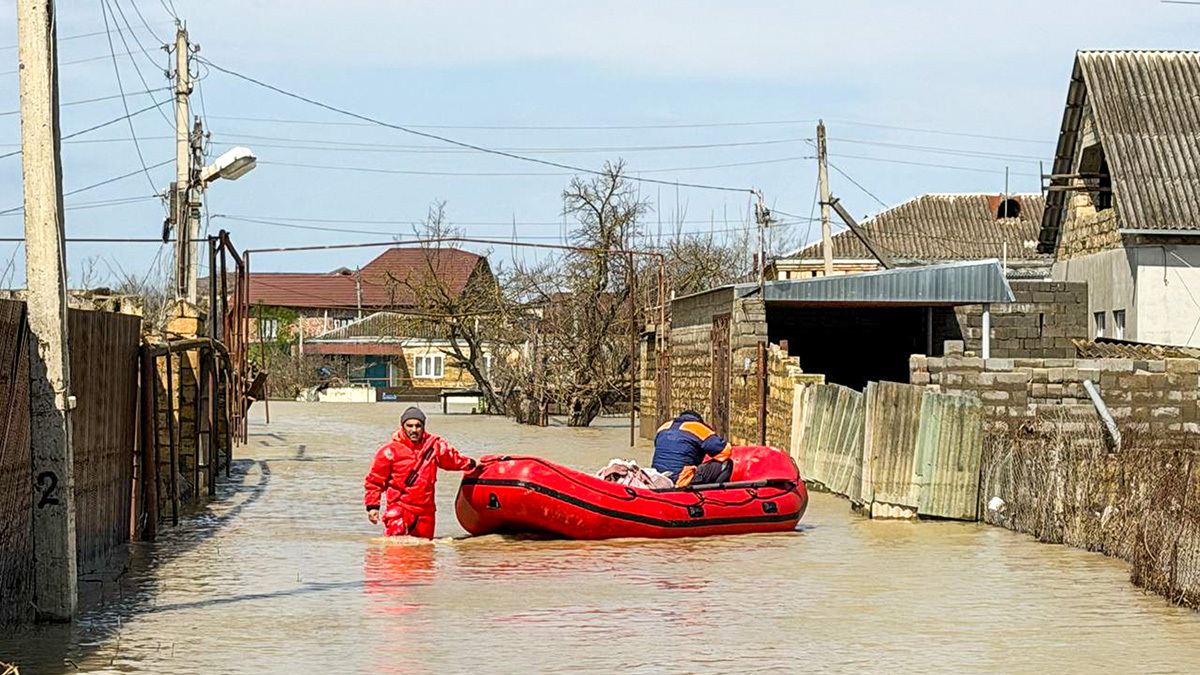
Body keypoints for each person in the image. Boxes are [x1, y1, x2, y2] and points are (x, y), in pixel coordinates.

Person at [364, 406, 478, 538]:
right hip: (400, 510)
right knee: (396, 553)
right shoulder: (389, 451)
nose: (414, 430)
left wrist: (473, 464)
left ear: (423, 427)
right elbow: (374, 481)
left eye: (418, 426)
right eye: (410, 426)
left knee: (425, 554)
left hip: (426, 513)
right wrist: (372, 507)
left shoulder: (434, 447)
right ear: (402, 426)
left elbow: (452, 460)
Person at [652, 410, 733, 487]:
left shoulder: (663, 427)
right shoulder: (698, 427)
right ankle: (716, 495)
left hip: (657, 477)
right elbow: (725, 452)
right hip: (681, 479)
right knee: (726, 464)